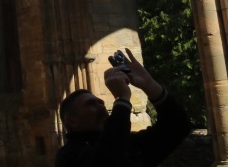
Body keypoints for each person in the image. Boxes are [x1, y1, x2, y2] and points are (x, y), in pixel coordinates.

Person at [55, 48, 191, 167]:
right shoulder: (69, 156)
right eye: (91, 104)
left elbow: (177, 126)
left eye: (101, 102)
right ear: (72, 121)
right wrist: (122, 100)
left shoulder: (129, 145)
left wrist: (149, 85)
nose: (101, 107)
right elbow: (108, 160)